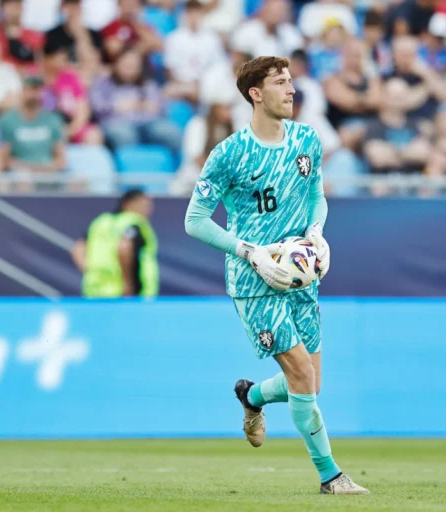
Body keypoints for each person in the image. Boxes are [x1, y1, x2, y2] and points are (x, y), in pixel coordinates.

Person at [184, 56, 368, 495]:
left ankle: (252, 397)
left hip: (301, 276)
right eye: (281, 83)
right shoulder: (229, 153)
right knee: (303, 375)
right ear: (255, 93)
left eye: (291, 82)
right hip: (255, 282)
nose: (291, 91)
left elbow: (316, 197)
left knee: (310, 382)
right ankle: (331, 476)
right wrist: (248, 251)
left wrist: (316, 232)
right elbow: (195, 220)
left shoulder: (307, 139)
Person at [71, 189, 159, 297]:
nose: (149, 209)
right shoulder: (132, 222)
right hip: (122, 293)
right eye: (144, 204)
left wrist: (91, 272)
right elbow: (124, 248)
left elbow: (78, 248)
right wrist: (127, 283)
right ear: (128, 203)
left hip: (94, 291)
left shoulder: (102, 221)